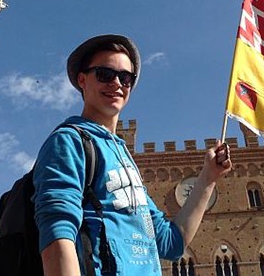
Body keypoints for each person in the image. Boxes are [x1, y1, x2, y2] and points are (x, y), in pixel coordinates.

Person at [33, 34, 232, 275]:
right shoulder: (69, 141)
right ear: (82, 80)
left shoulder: (125, 161)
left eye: (125, 78)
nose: (117, 83)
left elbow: (171, 243)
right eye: (105, 74)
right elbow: (57, 233)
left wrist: (208, 178)